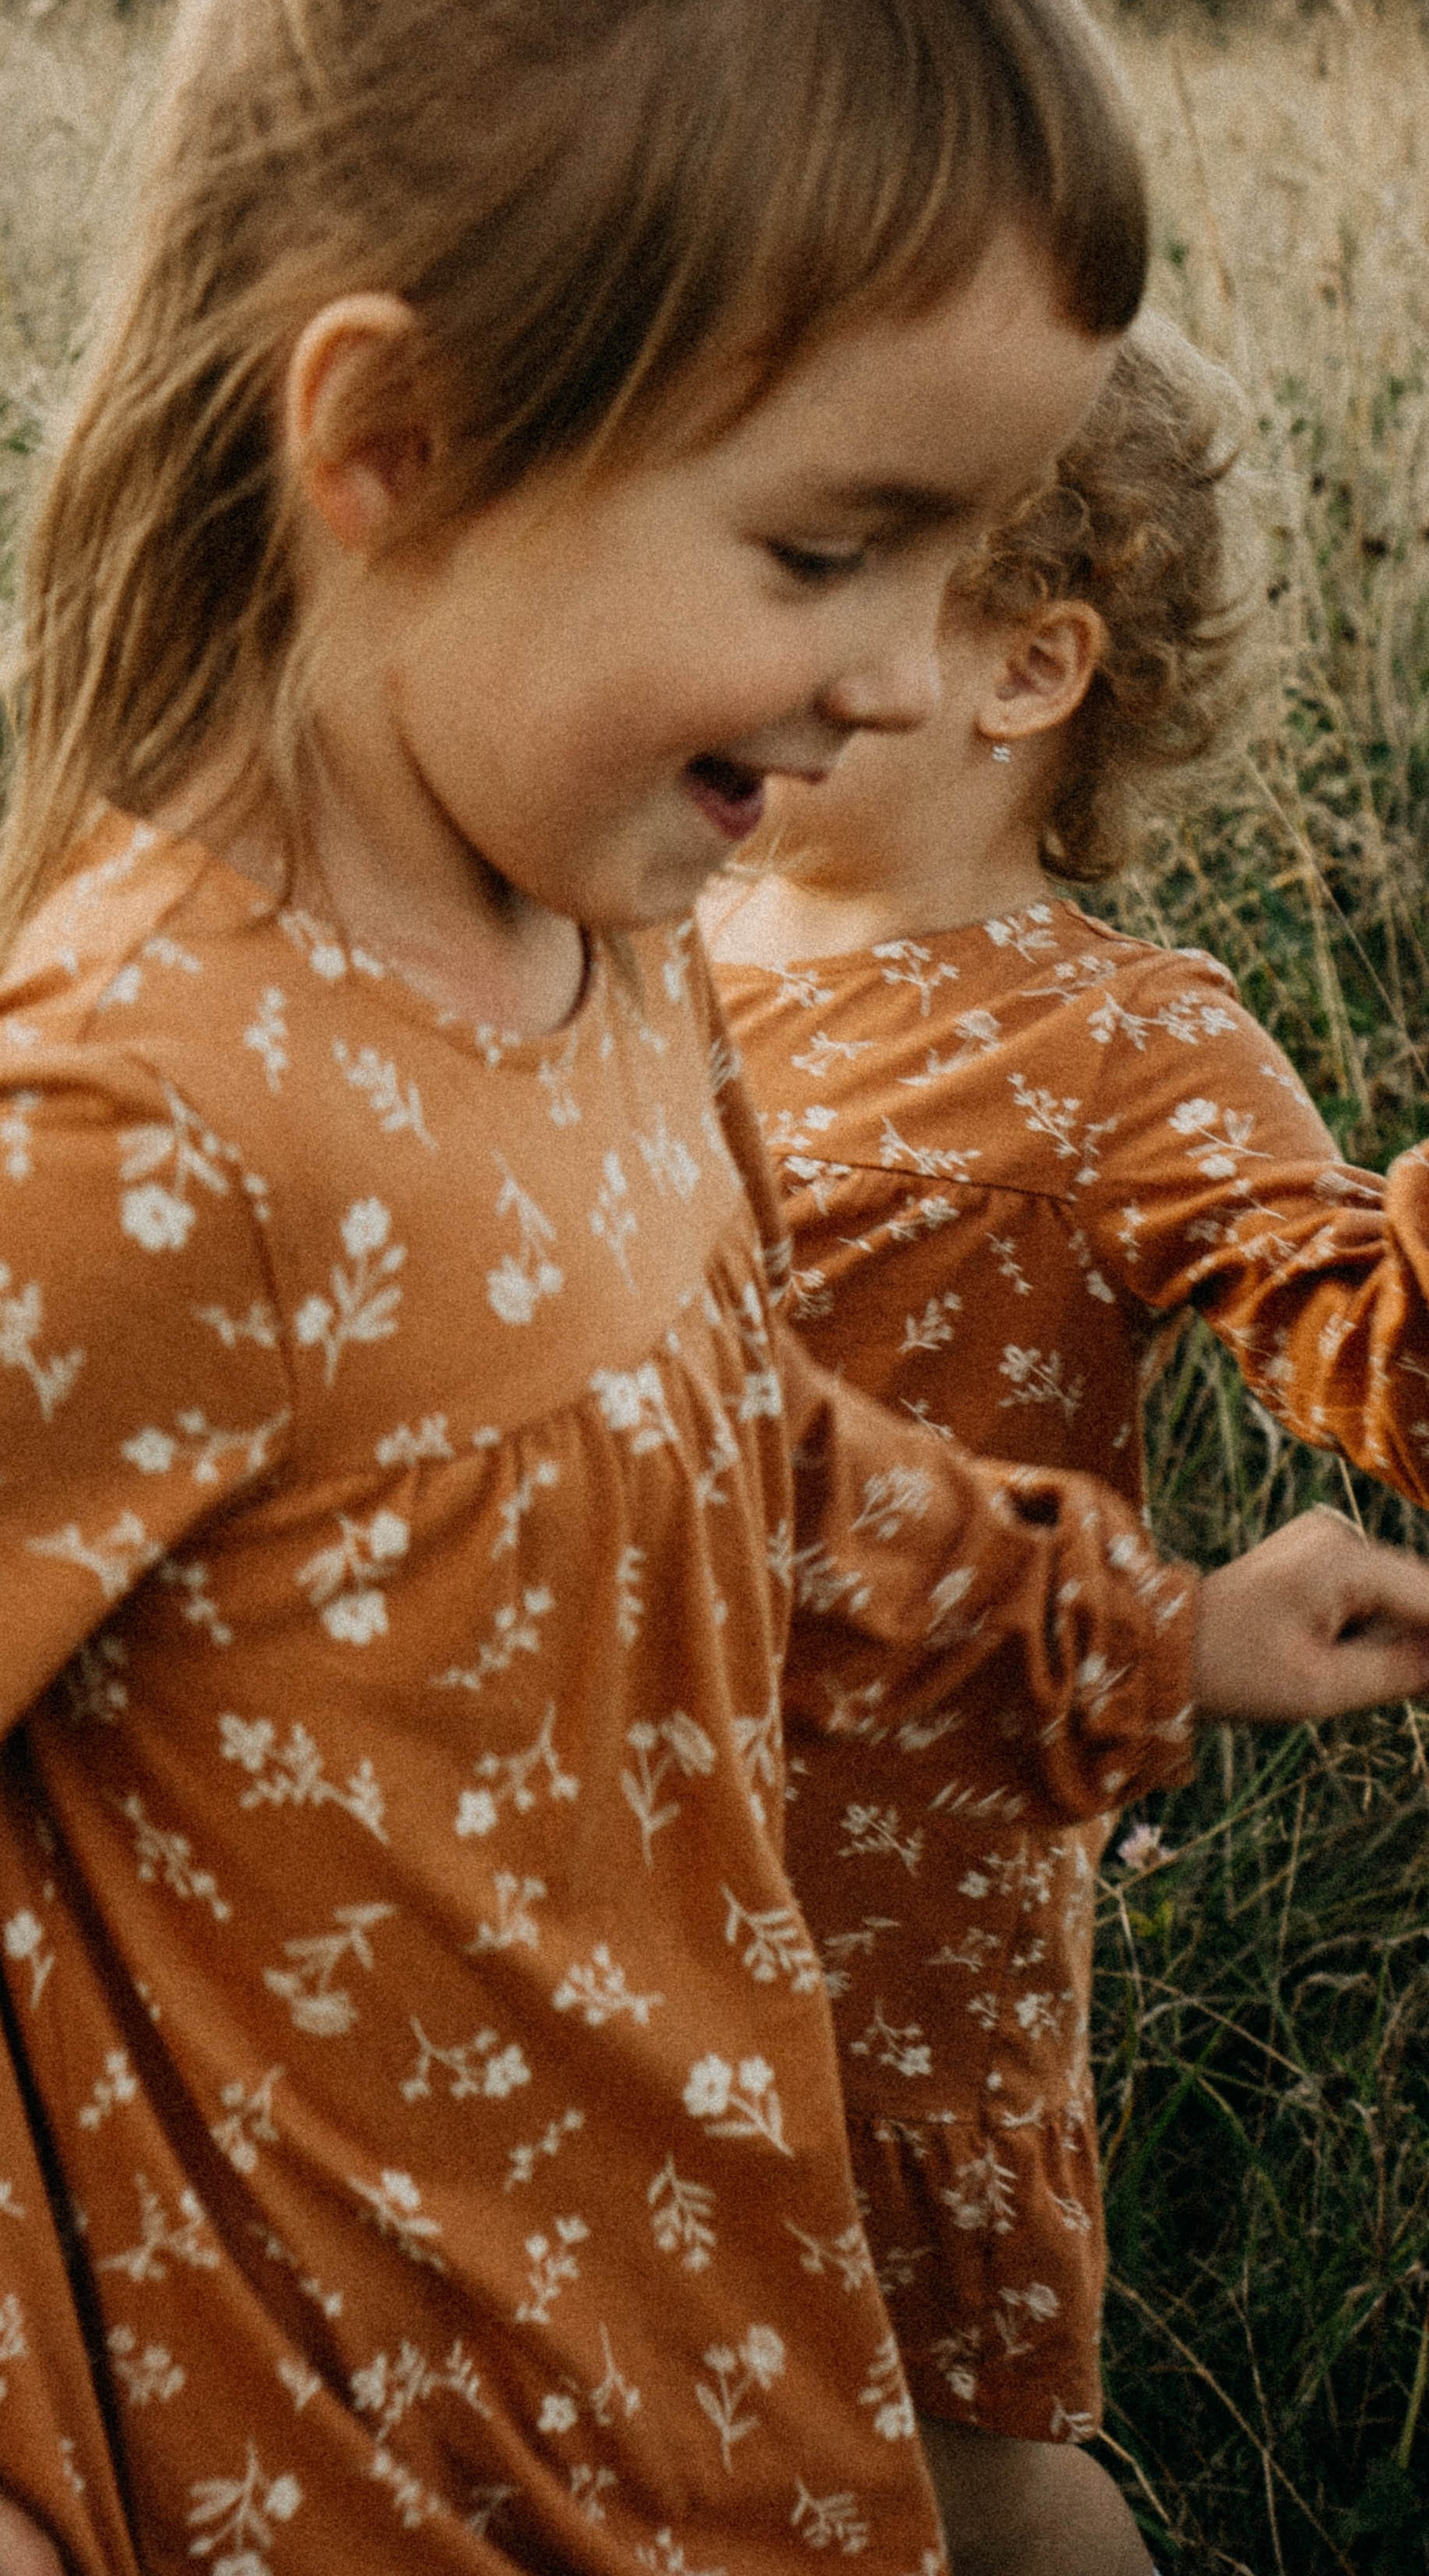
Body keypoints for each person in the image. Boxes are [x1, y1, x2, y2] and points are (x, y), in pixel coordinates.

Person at [0, 0, 1423, 2576]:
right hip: (329, 2488)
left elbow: (720, 1459)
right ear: (397, 446)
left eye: (961, 568)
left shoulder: (606, 954)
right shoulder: (173, 1129)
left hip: (702, 2370)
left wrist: (1130, 1634)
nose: (892, 670)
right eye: (830, 548)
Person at [703, 311, 1429, 2576]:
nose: (726, 640)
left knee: (949, 2449)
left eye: (817, 577)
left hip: (905, 1895)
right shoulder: (644, 939)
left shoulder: (1116, 1039)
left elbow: (1361, 1343)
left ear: (1027, 670)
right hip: (621, 1816)